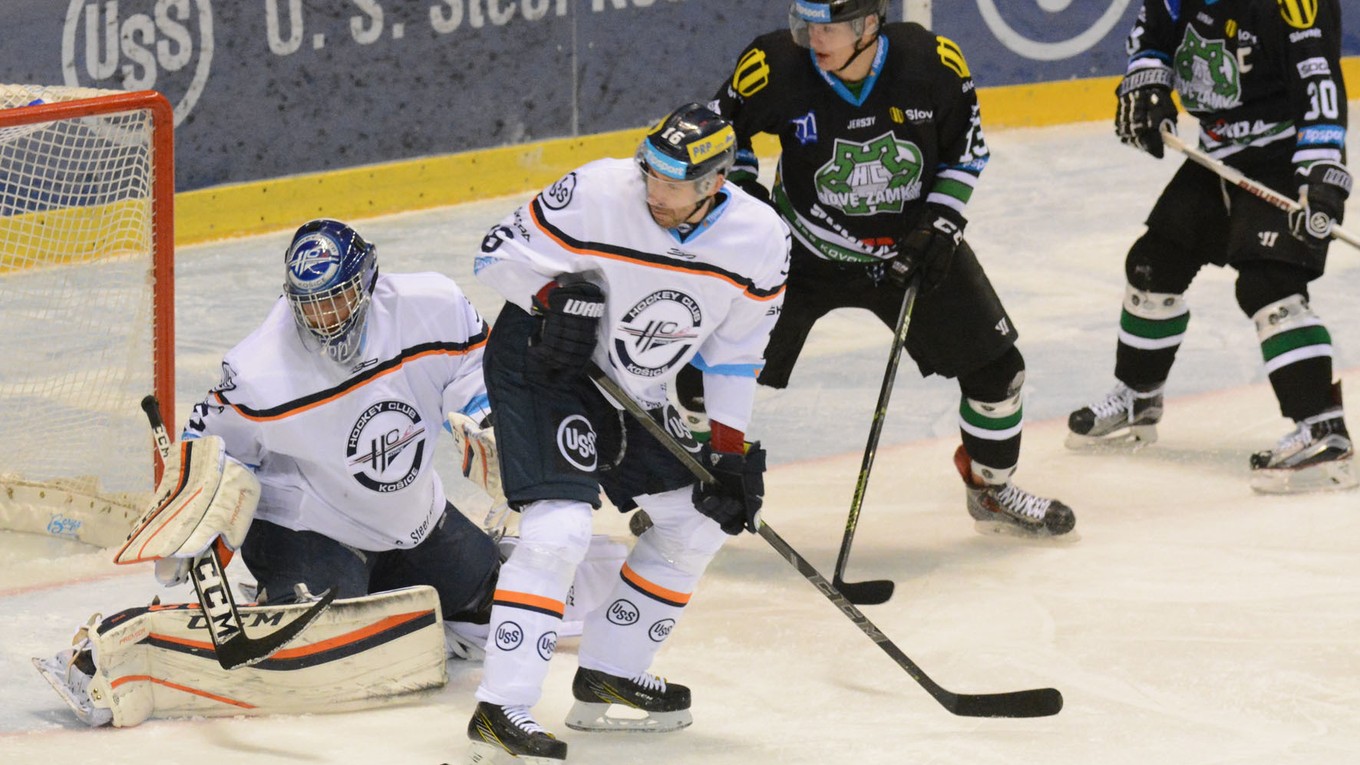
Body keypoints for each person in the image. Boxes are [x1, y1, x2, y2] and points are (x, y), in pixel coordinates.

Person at [35, 220, 504, 727]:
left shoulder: (432, 305)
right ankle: (124, 643)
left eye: (337, 298)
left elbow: (476, 363)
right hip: (310, 529)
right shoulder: (259, 369)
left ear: (368, 280)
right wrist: (192, 525)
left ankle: (360, 603)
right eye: (310, 305)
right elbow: (211, 451)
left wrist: (482, 416)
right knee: (317, 652)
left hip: (411, 518)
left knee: (491, 606)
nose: (325, 318)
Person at [465, 102, 788, 762]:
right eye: (651, 175)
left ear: (714, 182)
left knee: (697, 521)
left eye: (673, 184)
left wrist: (728, 454)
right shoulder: (597, 191)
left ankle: (610, 670)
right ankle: (501, 707)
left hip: (632, 388)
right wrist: (551, 296)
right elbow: (494, 255)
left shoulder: (761, 240)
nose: (655, 193)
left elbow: (733, 357)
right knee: (559, 528)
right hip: (543, 363)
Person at [703, 0, 1075, 536]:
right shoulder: (773, 65)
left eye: (828, 28)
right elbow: (718, 135)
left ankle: (990, 489)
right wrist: (744, 194)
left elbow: (965, 153)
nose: (813, 38)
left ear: (869, 25)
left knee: (999, 374)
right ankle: (687, 492)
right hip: (798, 250)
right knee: (705, 369)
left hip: (910, 248)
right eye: (807, 24)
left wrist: (940, 224)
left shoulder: (933, 63)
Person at [1065, 1, 1356, 493]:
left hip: (1284, 157)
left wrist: (1322, 173)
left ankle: (1324, 430)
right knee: (1152, 266)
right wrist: (1146, 85)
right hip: (1218, 154)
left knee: (1269, 286)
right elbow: (1151, 36)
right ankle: (1139, 396)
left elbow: (1319, 83)